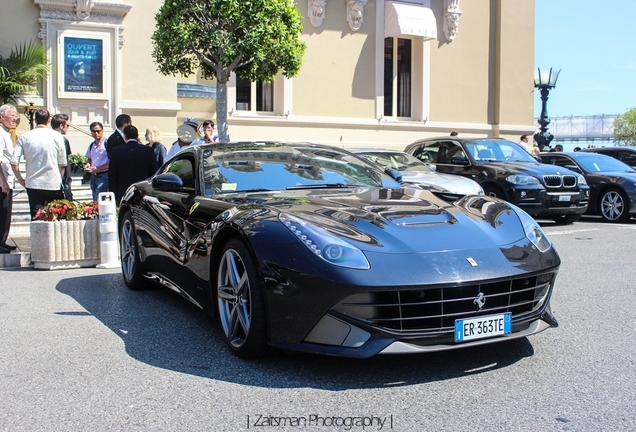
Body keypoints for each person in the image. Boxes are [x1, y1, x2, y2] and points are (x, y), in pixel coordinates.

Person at [10, 108, 66, 219]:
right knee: (55, 217)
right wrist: (59, 178)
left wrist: (20, 179)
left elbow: (14, 161)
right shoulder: (57, 137)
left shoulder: (25, 136)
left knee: (37, 217)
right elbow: (62, 163)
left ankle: (38, 236)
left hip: (33, 183)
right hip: (52, 182)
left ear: (35, 120)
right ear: (49, 120)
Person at [108, 125, 157, 205]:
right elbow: (153, 173)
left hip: (123, 191)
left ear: (125, 136)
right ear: (137, 136)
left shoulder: (116, 151)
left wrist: (112, 194)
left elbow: (112, 175)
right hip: (143, 190)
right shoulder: (148, 151)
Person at [0, 104, 18, 253]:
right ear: (2, 116)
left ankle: (2, 240)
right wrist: (3, 181)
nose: (14, 119)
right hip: (2, 181)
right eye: (12, 116)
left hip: (8, 179)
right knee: (2, 211)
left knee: (6, 212)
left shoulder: (6, 132)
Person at [84, 121, 109, 202]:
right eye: (94, 131)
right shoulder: (92, 145)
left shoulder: (107, 143)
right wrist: (87, 165)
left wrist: (98, 168)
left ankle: (99, 214)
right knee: (95, 200)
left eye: (98, 131)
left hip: (104, 176)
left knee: (100, 199)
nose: (96, 133)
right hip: (94, 176)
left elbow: (111, 162)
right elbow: (89, 159)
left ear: (102, 131)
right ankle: (97, 214)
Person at [51, 114, 73, 200]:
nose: (68, 127)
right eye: (67, 125)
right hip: (60, 179)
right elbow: (64, 163)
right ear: (61, 126)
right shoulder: (62, 140)